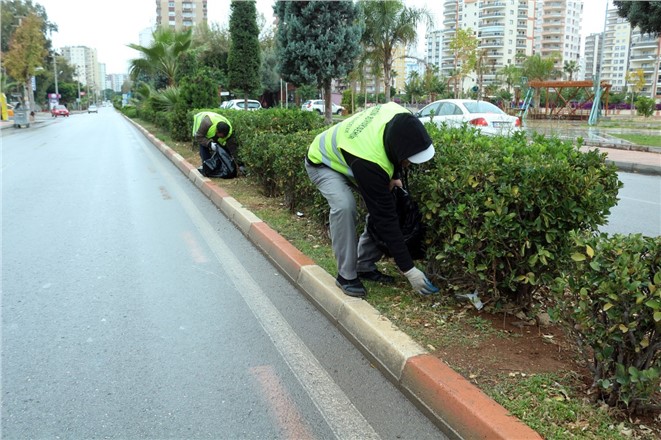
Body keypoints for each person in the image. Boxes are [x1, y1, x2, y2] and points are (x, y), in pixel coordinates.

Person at [305, 102, 439, 298]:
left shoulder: (401, 116)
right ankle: (346, 276)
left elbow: (393, 151)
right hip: (323, 162)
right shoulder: (369, 161)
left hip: (351, 156)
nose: (409, 164)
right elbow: (384, 218)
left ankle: (363, 265)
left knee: (391, 200)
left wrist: (394, 175)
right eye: (408, 160)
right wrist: (409, 270)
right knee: (345, 206)